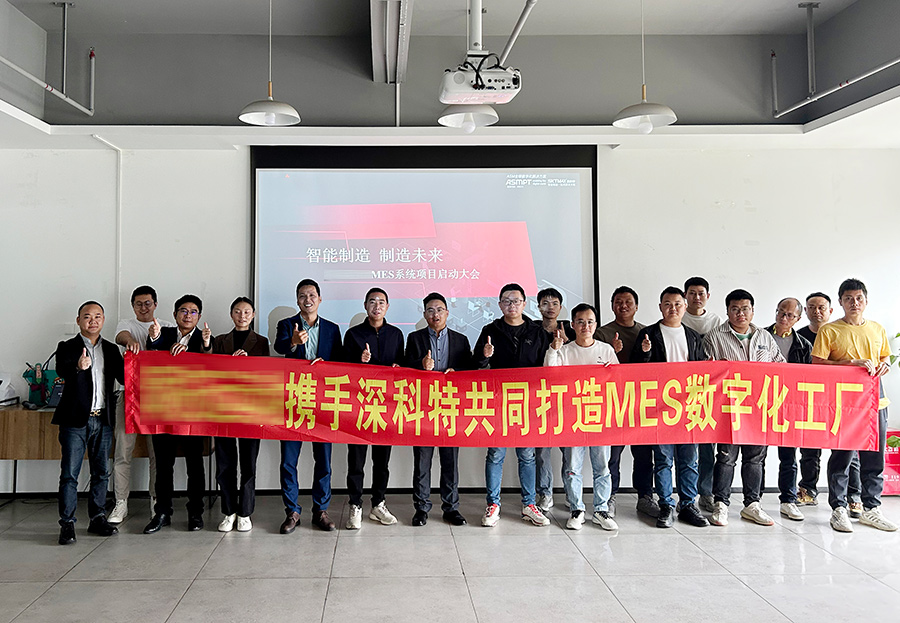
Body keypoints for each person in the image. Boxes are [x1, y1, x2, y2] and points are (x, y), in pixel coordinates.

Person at [812, 278, 897, 532]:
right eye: (848, 298)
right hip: (845, 404)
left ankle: (872, 508)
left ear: (866, 301)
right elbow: (817, 364)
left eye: (859, 298)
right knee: (842, 456)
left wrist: (885, 365)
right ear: (840, 302)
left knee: (874, 457)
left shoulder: (877, 329)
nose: (854, 303)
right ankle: (838, 508)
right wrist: (849, 364)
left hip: (875, 402)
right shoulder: (829, 331)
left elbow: (884, 356)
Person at [704, 289, 785, 527]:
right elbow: (706, 372)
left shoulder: (764, 337)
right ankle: (721, 504)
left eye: (745, 309)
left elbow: (780, 366)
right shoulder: (714, 337)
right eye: (735, 309)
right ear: (727, 311)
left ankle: (752, 504)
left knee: (755, 458)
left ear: (753, 311)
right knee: (726, 457)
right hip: (729, 408)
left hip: (759, 408)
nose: (741, 314)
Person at [631, 287, 710, 528]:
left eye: (677, 304)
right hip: (660, 408)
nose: (672, 308)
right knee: (663, 459)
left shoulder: (693, 336)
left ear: (685, 306)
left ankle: (687, 504)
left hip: (688, 408)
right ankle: (665, 504)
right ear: (660, 307)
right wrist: (645, 354)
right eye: (667, 304)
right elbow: (636, 371)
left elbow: (701, 371)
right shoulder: (648, 334)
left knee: (689, 460)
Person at [474, 283, 551, 527]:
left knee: (527, 455)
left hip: (527, 402)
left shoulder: (537, 332)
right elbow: (476, 366)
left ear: (524, 304)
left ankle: (529, 504)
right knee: (496, 454)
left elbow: (547, 367)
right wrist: (485, 356)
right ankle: (493, 504)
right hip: (498, 402)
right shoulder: (490, 330)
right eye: (506, 301)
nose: (512, 305)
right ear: (499, 305)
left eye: (516, 301)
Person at [274, 279, 343, 533]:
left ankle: (320, 510)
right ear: (297, 300)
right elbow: (279, 347)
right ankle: (292, 511)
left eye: (312, 295)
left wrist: (328, 365)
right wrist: (293, 342)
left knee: (323, 459)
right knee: (288, 460)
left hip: (323, 401)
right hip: (294, 398)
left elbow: (341, 362)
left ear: (320, 299)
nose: (308, 299)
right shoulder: (286, 324)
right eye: (302, 295)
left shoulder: (332, 329)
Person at [544, 303, 619, 531]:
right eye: (580, 322)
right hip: (572, 418)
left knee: (602, 467)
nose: (585, 326)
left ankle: (601, 510)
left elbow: (618, 381)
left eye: (590, 322)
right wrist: (554, 349)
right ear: (573, 325)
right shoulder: (565, 351)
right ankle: (576, 509)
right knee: (572, 467)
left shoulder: (606, 350)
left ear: (596, 325)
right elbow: (549, 374)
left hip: (600, 418)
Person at [54, 301, 123, 545]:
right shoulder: (67, 346)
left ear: (103, 320)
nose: (92, 320)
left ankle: (97, 519)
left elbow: (124, 377)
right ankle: (67, 524)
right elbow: (61, 370)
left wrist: (135, 356)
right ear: (78, 320)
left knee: (101, 473)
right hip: (75, 421)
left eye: (97, 316)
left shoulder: (111, 350)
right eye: (87, 316)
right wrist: (78, 366)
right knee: (69, 475)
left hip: (102, 419)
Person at [143, 294, 213, 534]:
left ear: (199, 317)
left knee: (195, 464)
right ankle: (162, 512)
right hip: (163, 409)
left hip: (193, 412)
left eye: (193, 312)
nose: (188, 315)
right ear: (174, 315)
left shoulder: (205, 338)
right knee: (163, 464)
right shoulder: (162, 334)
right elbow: (150, 355)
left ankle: (195, 512)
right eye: (183, 310)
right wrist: (154, 339)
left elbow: (210, 363)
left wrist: (203, 346)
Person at [404, 292, 474, 527]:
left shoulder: (461, 340)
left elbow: (469, 371)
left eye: (440, 309)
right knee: (422, 461)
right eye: (430, 310)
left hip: (450, 408)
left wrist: (457, 372)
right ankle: (421, 508)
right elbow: (405, 368)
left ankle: (451, 508)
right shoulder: (414, 338)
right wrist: (420, 365)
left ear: (447, 313)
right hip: (423, 408)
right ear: (424, 314)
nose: (435, 314)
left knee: (450, 461)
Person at [342, 287, 404, 529]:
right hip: (359, 407)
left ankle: (378, 504)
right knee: (356, 461)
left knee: (381, 461)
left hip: (386, 407)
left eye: (381, 302)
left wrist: (398, 367)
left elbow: (403, 366)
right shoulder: (353, 335)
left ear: (387, 307)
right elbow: (342, 368)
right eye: (372, 301)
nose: (377, 306)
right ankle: (355, 504)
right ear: (365, 305)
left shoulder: (396, 334)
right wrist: (359, 362)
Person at [796, 292, 862, 512]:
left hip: (842, 400)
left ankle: (853, 495)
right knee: (809, 449)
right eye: (812, 307)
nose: (817, 311)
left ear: (831, 310)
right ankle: (808, 490)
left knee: (848, 448)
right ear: (805, 311)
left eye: (821, 307)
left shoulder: (840, 332)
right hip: (811, 399)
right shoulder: (799, 337)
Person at [109, 285, 167, 524]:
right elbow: (120, 336)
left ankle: (155, 500)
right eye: (139, 304)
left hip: (157, 398)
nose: (144, 308)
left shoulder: (166, 326)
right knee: (123, 450)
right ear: (133, 306)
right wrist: (131, 341)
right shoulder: (126, 324)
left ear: (155, 304)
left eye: (148, 303)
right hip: (128, 395)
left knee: (157, 454)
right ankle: (121, 502)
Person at [594, 286, 654, 519]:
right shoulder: (602, 333)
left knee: (643, 454)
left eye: (628, 302)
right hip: (613, 403)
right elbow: (595, 368)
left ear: (636, 306)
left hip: (640, 402)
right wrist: (613, 353)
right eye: (618, 302)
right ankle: (609, 496)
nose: (623, 306)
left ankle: (645, 496)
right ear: (612, 306)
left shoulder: (647, 332)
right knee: (613, 455)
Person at [212, 297, 270, 533]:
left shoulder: (261, 342)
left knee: (248, 462)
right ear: (231, 314)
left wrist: (248, 363)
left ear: (253, 315)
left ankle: (245, 512)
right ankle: (228, 511)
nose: (242, 316)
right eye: (237, 311)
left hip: (251, 409)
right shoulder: (219, 341)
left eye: (246, 312)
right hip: (223, 409)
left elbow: (266, 374)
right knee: (225, 463)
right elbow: (212, 372)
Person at [762, 297, 812, 522]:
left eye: (790, 315)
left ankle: (788, 500)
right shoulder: (760, 336)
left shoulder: (804, 345)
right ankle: (754, 500)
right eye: (781, 312)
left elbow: (810, 378)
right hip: (761, 403)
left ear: (798, 319)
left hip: (789, 406)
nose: (784, 317)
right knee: (757, 456)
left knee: (789, 457)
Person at [681, 276, 722, 513]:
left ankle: (706, 492)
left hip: (707, 392)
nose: (696, 297)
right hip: (680, 391)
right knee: (683, 448)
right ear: (685, 296)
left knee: (707, 447)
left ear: (708, 296)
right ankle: (684, 494)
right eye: (692, 293)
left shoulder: (715, 321)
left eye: (701, 293)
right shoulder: (678, 317)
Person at [534, 287, 576, 512]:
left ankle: (571, 493)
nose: (550, 307)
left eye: (554, 303)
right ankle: (545, 493)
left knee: (569, 451)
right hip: (539, 397)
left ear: (561, 307)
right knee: (542, 451)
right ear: (538, 306)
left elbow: (581, 357)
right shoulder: (531, 329)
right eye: (545, 303)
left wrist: (568, 342)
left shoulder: (571, 328)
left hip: (567, 398)